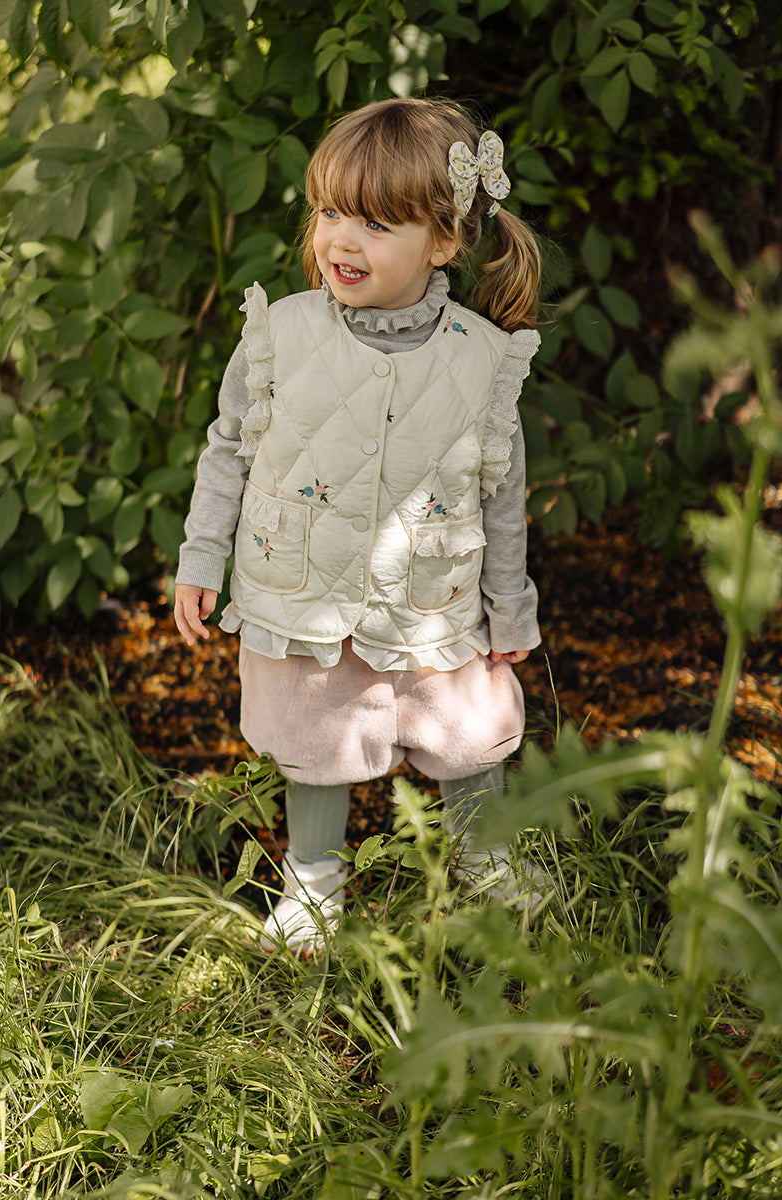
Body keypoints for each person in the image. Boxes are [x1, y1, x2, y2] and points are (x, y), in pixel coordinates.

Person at [174, 96, 543, 953]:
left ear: (442, 241)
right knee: (313, 733)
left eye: (376, 223)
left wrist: (511, 610)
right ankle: (313, 881)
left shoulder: (482, 360)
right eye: (331, 212)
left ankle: (485, 862)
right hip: (302, 591)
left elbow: (501, 495)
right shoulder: (280, 334)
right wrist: (201, 559)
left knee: (468, 731)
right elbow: (229, 450)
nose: (342, 240)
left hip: (433, 599)